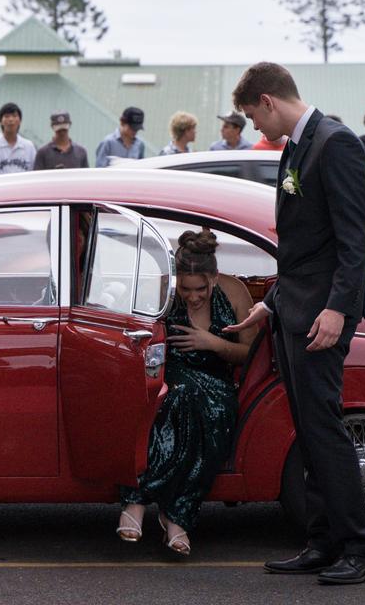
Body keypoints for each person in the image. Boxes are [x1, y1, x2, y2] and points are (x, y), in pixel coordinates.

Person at [226, 62, 365, 586]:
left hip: (323, 315)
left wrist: (338, 308)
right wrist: (271, 303)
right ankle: (322, 541)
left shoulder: (336, 143)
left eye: (251, 116)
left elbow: (354, 240)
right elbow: (301, 246)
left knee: (325, 429)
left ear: (268, 100)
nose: (254, 128)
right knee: (308, 429)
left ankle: (360, 548)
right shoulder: (295, 145)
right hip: (294, 308)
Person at [117, 230, 254, 556]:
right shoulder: (162, 290)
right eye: (186, 289)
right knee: (174, 399)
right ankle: (176, 517)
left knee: (202, 408)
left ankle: (139, 501)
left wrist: (213, 343)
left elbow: (250, 351)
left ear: (214, 278)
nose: (192, 297)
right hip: (170, 376)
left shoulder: (235, 293)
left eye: (201, 290)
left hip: (217, 383)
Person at [0, 103, 36, 175]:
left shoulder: (29, 146)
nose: (11, 119)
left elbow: (34, 174)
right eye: (6, 116)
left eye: (14, 116)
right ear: (0, 121)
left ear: (20, 121)